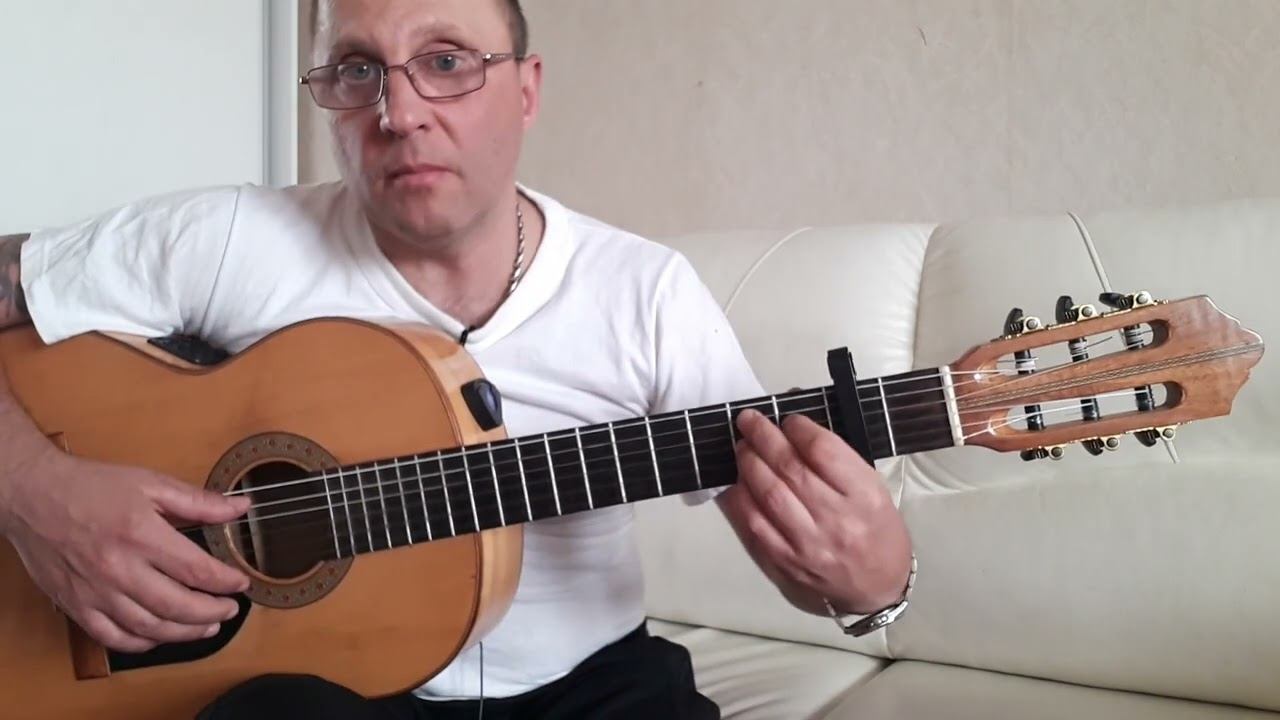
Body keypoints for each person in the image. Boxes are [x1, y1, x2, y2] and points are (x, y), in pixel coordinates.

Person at [0, 0, 914, 717]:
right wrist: (37, 491)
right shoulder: (229, 239)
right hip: (320, 692)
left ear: (526, 89)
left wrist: (874, 586)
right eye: (358, 70)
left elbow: (800, 537)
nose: (399, 114)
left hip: (589, 689)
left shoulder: (645, 292)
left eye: (446, 63)